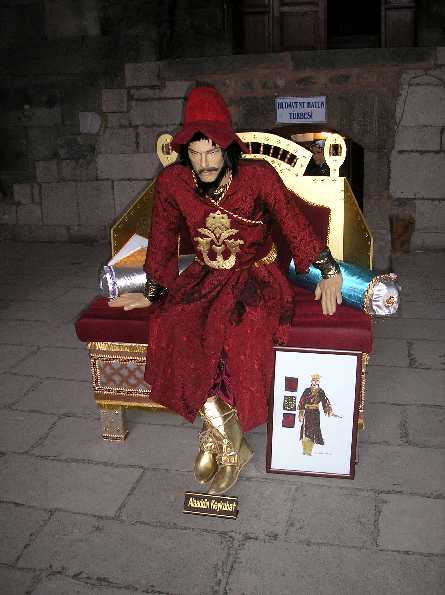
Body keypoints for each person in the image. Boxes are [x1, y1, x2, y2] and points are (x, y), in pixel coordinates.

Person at [109, 86, 342, 495]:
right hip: (204, 274)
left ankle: (217, 436)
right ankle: (228, 437)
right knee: (172, 319)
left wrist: (328, 269)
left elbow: (292, 222)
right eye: (195, 153)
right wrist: (153, 289)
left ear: (228, 148)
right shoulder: (173, 182)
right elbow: (161, 239)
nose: (204, 163)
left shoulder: (258, 176)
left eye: (212, 152)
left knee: (242, 327)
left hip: (256, 276)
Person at [298, 374, 333, 456]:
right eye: (314, 380)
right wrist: (301, 412)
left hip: (315, 413)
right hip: (307, 412)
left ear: (318, 382)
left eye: (317, 380)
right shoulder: (307, 390)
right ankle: (305, 450)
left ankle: (309, 451)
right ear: (311, 381)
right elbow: (302, 401)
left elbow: (325, 401)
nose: (315, 382)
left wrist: (327, 409)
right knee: (306, 430)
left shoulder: (320, 391)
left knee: (314, 430)